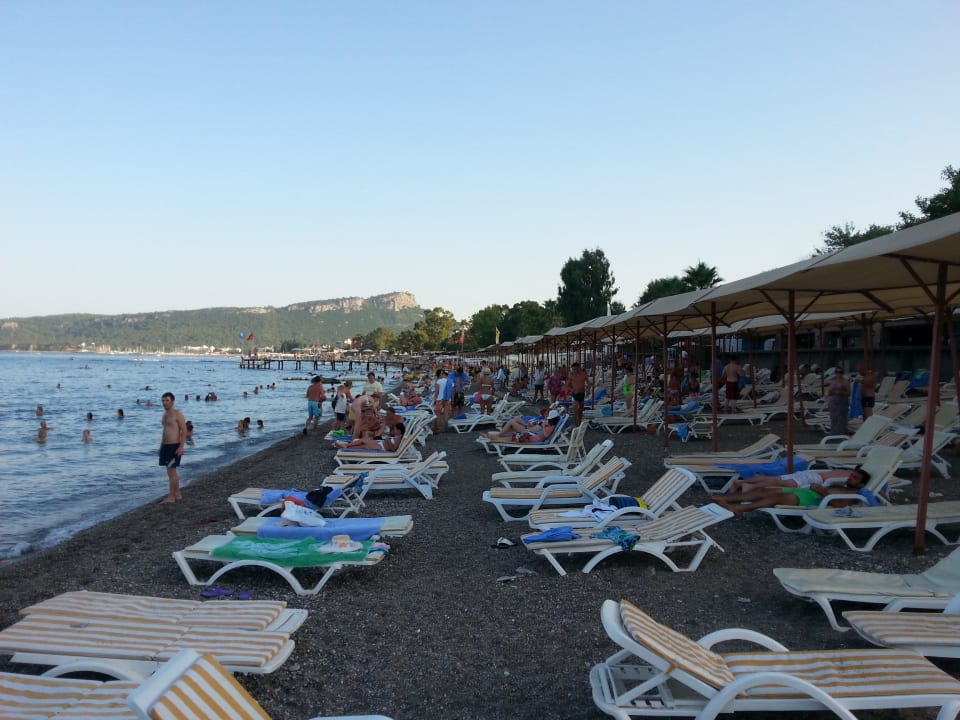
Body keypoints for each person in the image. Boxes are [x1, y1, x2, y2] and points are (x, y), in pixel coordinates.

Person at [710, 468, 871, 516]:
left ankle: (741, 508)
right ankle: (726, 498)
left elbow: (836, 503)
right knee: (764, 489)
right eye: (851, 475)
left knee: (777, 497)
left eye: (855, 478)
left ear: (861, 484)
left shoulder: (855, 495)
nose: (850, 478)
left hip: (815, 500)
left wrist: (821, 490)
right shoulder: (843, 486)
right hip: (809, 492)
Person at [728, 467, 869, 494]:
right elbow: (829, 484)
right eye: (853, 476)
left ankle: (739, 482)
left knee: (774, 479)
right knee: (777, 482)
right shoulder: (846, 477)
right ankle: (749, 487)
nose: (852, 478)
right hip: (814, 478)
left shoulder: (844, 470)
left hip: (810, 473)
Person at [158, 392, 186, 504]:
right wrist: (161, 447)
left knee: (171, 471)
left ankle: (171, 497)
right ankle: (177, 494)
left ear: (172, 401)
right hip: (165, 446)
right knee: (170, 470)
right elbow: (165, 432)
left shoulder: (177, 414)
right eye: (163, 400)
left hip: (174, 446)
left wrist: (181, 447)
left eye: (167, 400)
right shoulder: (165, 415)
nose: (164, 403)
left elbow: (184, 431)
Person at [482, 409, 563, 442]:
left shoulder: (551, 426)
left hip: (536, 438)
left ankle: (496, 438)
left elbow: (546, 434)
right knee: (514, 436)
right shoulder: (550, 424)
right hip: (534, 435)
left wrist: (545, 426)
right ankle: (496, 437)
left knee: (515, 437)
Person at [827, 366, 851, 435]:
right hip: (833, 402)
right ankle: (834, 432)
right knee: (833, 417)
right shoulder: (833, 381)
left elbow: (848, 393)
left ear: (842, 373)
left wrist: (839, 392)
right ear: (835, 373)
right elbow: (829, 393)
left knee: (841, 418)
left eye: (840, 372)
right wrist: (832, 391)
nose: (838, 374)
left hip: (842, 402)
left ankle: (841, 433)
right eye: (837, 372)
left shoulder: (846, 382)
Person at [568, 362, 588, 426]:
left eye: (576, 369)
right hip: (575, 394)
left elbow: (588, 383)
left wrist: (588, 390)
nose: (575, 370)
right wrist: (572, 390)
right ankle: (576, 425)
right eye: (573, 369)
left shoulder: (583, 374)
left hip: (582, 393)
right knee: (576, 411)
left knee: (580, 411)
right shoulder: (571, 375)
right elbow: (567, 385)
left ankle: (579, 423)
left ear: (579, 368)